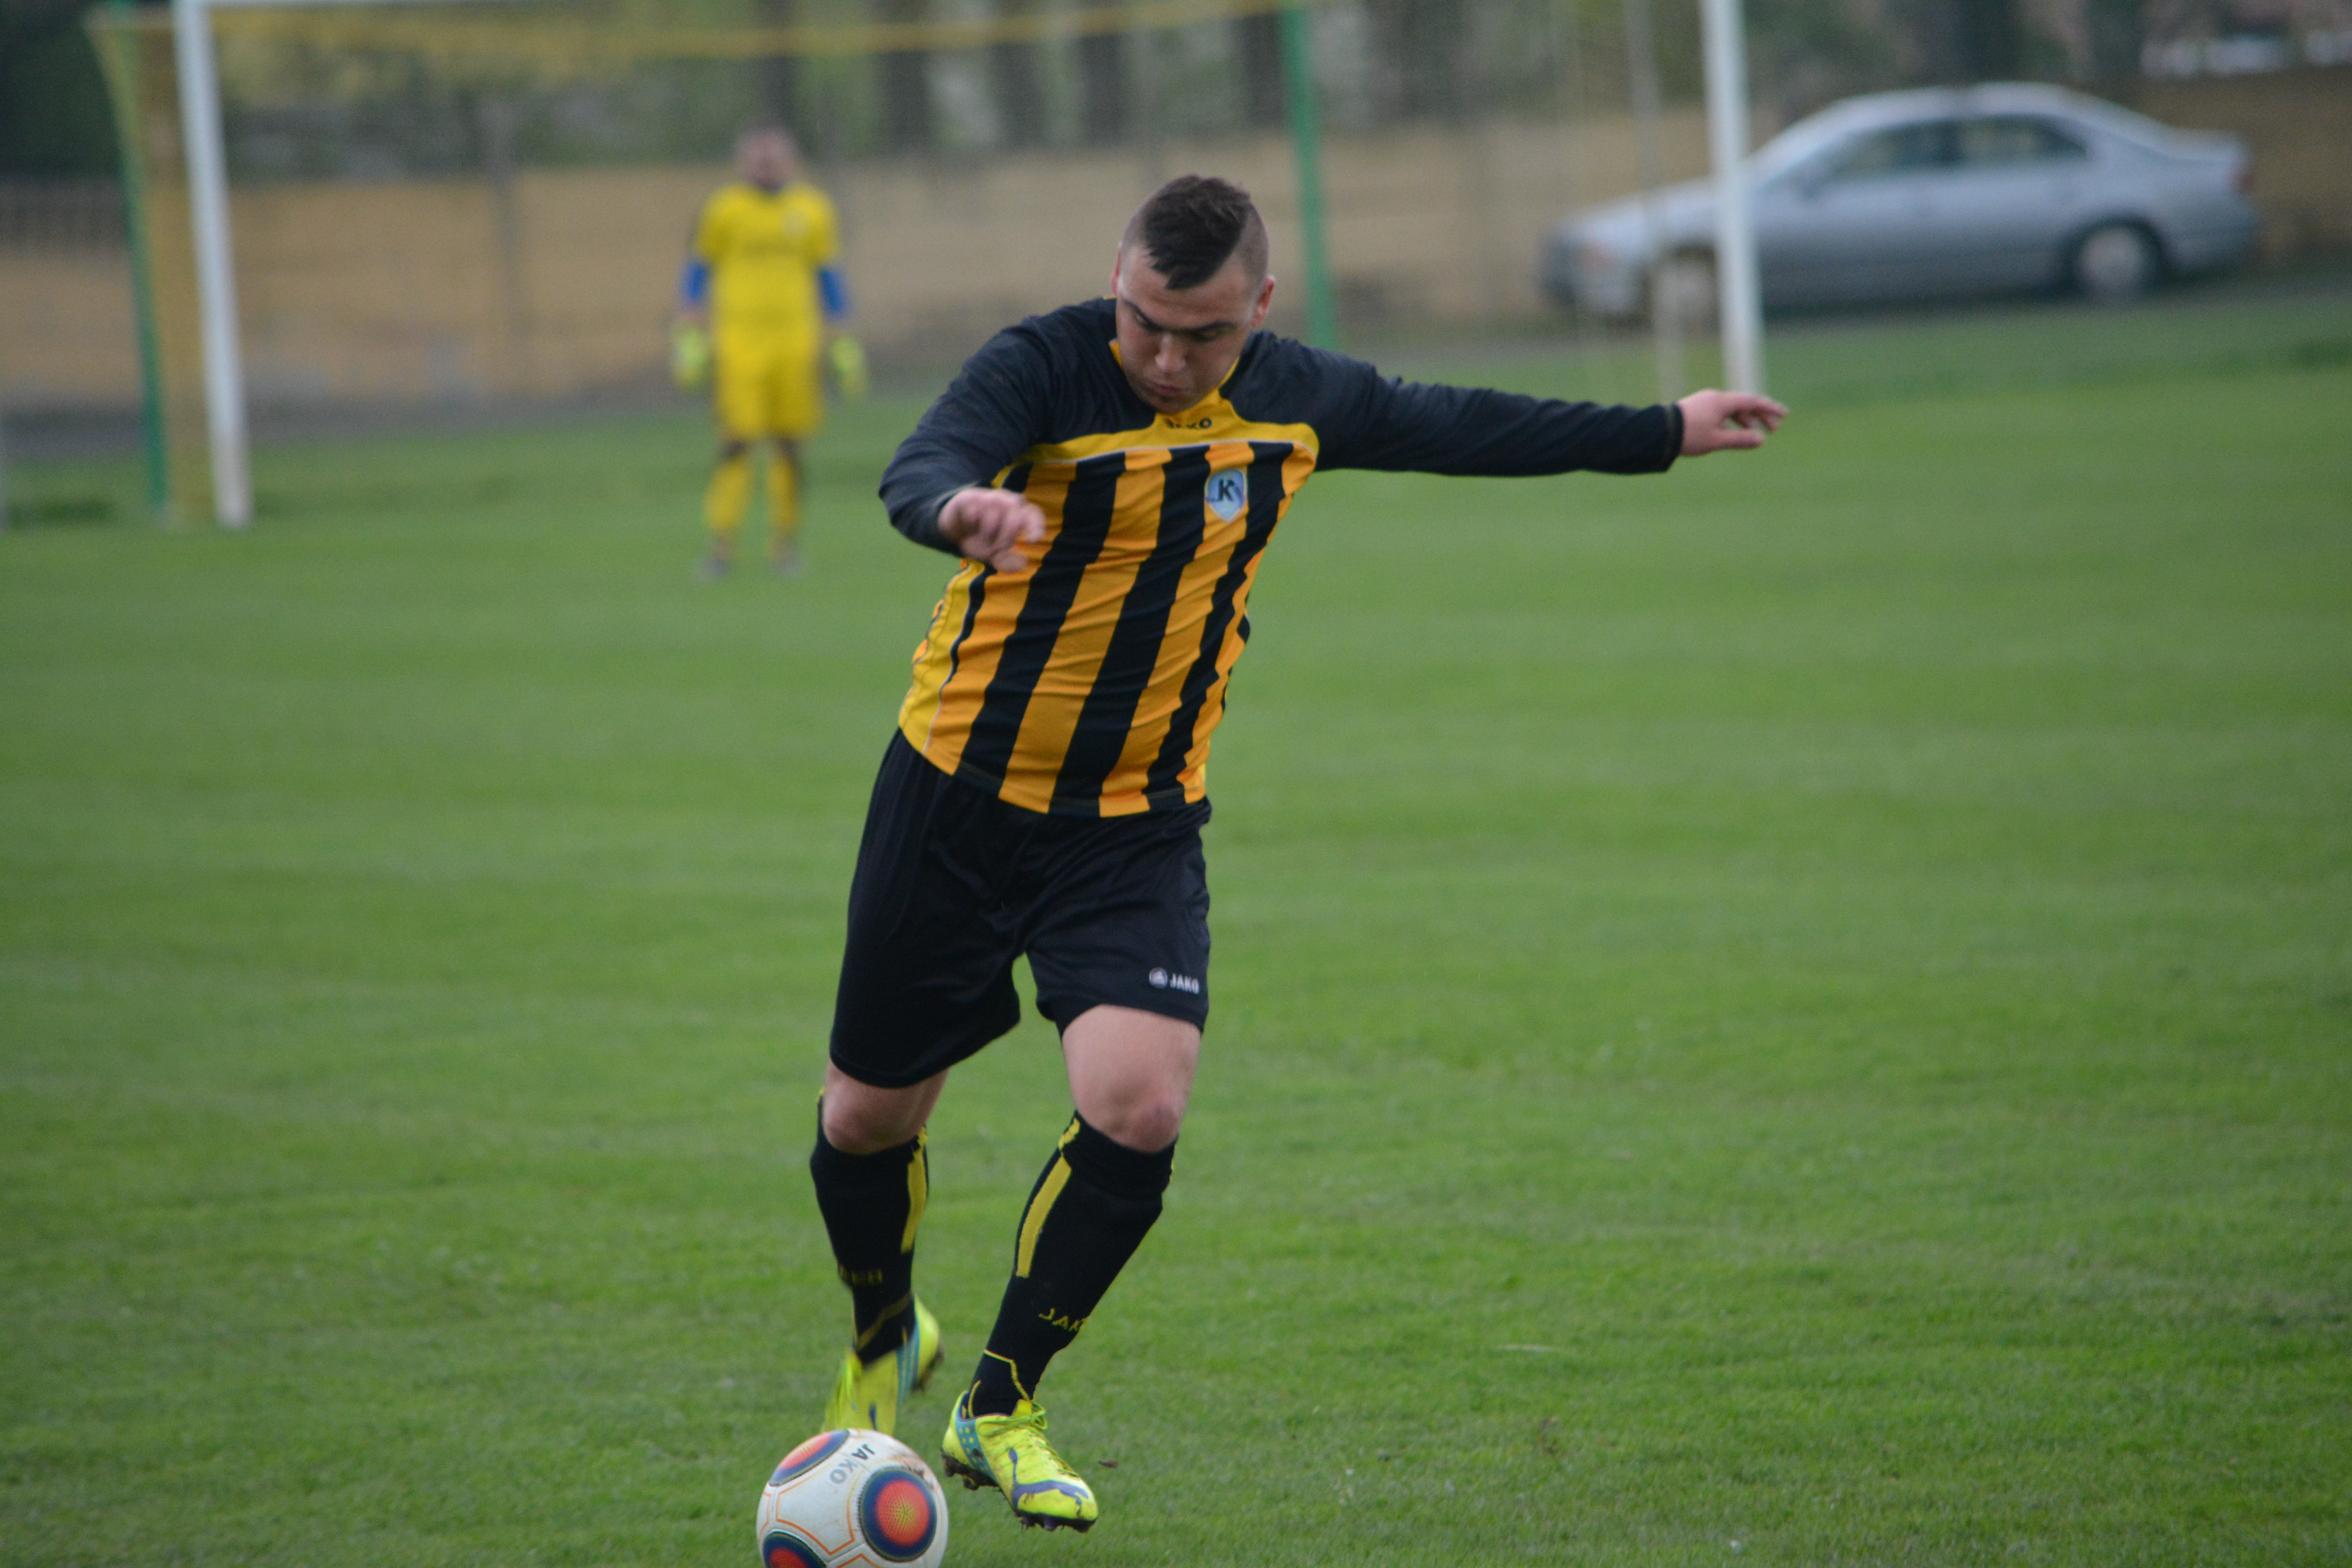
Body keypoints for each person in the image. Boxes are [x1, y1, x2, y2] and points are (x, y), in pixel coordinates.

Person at [805, 174, 1785, 1534]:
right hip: (955, 797)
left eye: (1201, 334)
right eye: (1146, 322)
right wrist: (959, 510)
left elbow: (1463, 424)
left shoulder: (1294, 399)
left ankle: (999, 1403)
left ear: (1259, 307)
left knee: (1142, 1102)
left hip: (1135, 819)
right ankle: (878, 1332)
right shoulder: (1043, 365)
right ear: (1118, 282)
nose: (1165, 357)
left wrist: (1662, 430)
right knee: (865, 1120)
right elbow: (925, 460)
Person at [673, 124, 864, 579]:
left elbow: (828, 273)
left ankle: (785, 545)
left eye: (774, 156)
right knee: (736, 441)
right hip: (739, 342)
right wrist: (689, 327)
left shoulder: (812, 209)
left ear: (790, 160)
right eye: (758, 156)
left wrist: (843, 335)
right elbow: (699, 268)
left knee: (789, 444)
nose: (766, 164)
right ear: (743, 161)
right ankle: (721, 545)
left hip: (795, 342)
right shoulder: (724, 209)